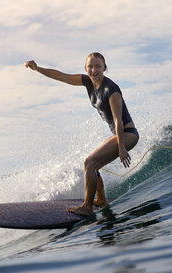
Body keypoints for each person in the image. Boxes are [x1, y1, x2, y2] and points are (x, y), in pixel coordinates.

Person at [25, 52, 139, 216]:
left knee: (89, 163)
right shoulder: (87, 82)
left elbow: (118, 121)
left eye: (98, 66)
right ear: (86, 69)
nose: (94, 70)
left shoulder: (111, 89)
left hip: (127, 134)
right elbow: (61, 76)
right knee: (94, 165)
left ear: (104, 68)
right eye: (90, 67)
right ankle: (100, 200)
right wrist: (38, 69)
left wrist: (121, 148)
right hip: (119, 135)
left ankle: (87, 207)